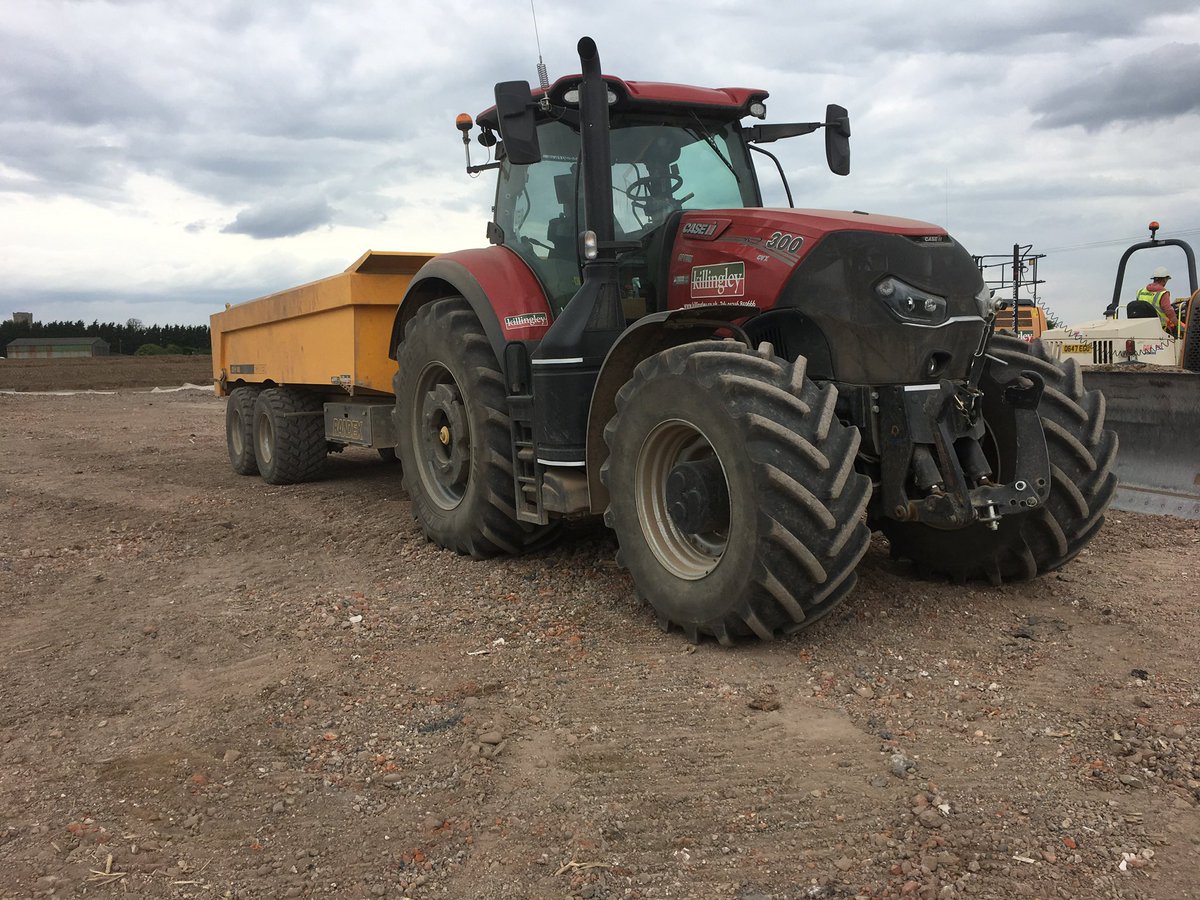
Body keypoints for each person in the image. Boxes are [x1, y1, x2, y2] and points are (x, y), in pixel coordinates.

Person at [1129, 266, 1179, 336]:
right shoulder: (1163, 293)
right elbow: (1169, 312)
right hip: (1159, 328)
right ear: (1164, 279)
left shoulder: (1140, 291)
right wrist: (1178, 326)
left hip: (1140, 325)